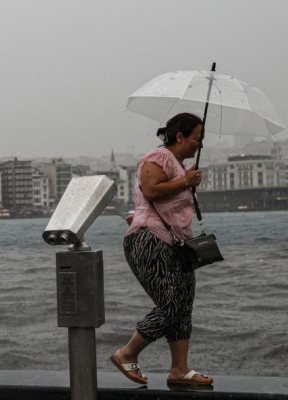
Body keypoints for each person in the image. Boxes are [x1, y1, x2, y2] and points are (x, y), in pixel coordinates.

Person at [110, 113, 214, 386]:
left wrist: (185, 180)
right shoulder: (159, 157)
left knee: (183, 306)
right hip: (150, 240)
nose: (199, 145)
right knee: (171, 305)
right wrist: (186, 182)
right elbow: (151, 189)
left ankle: (179, 370)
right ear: (180, 136)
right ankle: (127, 353)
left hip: (177, 244)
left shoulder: (179, 164)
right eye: (197, 138)